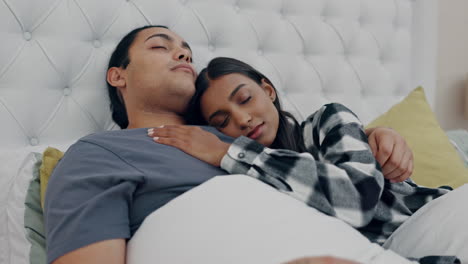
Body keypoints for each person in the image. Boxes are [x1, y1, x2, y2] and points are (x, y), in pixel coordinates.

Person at [44, 25, 417, 264]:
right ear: (118, 75)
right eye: (161, 46)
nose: (183, 54)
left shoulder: (248, 142)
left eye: (187, 50)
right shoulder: (97, 155)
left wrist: (372, 136)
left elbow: (343, 185)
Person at [146, 57, 458, 262]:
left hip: (436, 218)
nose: (242, 119)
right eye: (221, 121)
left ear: (267, 90)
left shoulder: (327, 121)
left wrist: (232, 150)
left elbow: (357, 199)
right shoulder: (244, 179)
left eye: (245, 99)